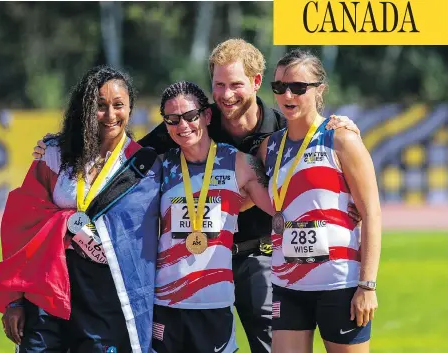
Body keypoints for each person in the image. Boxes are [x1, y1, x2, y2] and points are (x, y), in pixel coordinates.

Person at [32, 39, 361, 353]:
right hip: (191, 267)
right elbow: (126, 150)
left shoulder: (279, 129)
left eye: (235, 85)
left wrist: (341, 129)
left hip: (255, 255)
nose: (226, 95)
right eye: (219, 85)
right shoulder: (194, 117)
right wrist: (63, 141)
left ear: (256, 81)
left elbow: (308, 158)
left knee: (270, 344)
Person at [0, 66, 162, 353]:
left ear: (130, 108)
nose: (110, 116)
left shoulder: (144, 165)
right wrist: (15, 299)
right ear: (86, 108)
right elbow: (21, 224)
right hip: (49, 285)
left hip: (106, 293)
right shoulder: (56, 155)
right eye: (100, 106)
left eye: (118, 106)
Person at [256, 49, 381, 353]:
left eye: (299, 87)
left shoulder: (341, 139)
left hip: (339, 285)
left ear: (320, 90)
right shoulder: (268, 148)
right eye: (279, 87)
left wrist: (367, 286)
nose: (288, 94)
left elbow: (372, 214)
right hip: (288, 285)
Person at [153, 81, 275, 353]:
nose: (182, 126)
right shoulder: (159, 166)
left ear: (207, 116)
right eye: (172, 120)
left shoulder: (241, 163)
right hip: (166, 303)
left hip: (214, 303)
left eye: (190, 116)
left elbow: (281, 209)